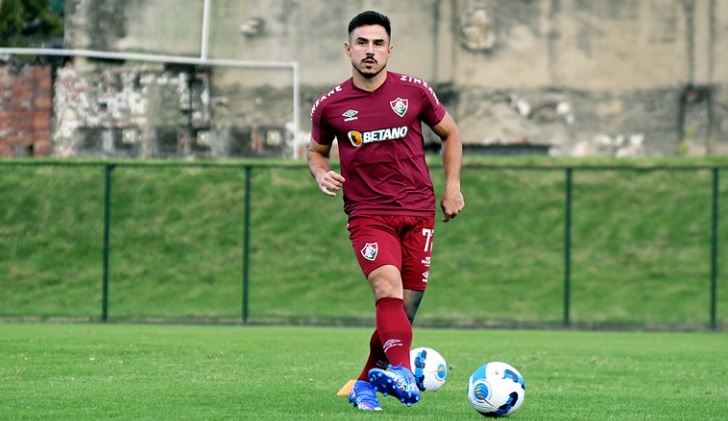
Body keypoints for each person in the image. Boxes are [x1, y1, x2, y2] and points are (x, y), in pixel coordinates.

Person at [307, 10, 464, 411]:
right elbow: (316, 152)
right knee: (387, 288)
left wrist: (453, 187)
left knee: (403, 312)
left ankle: (364, 385)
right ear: (349, 49)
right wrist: (321, 174)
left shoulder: (414, 92)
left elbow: (451, 133)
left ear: (390, 49)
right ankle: (405, 376)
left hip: (418, 211)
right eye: (362, 43)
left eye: (378, 43)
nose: (370, 51)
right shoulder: (331, 106)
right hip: (368, 213)